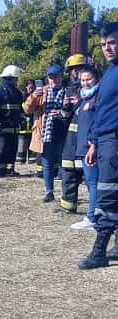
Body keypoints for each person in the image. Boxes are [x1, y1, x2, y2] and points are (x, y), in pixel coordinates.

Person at [80, 23, 118, 268]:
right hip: (104, 141)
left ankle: (99, 252)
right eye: (104, 44)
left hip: (114, 141)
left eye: (112, 42)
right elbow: (102, 111)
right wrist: (93, 142)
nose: (108, 48)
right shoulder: (109, 73)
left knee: (107, 194)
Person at [24, 64, 67, 203]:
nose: (53, 80)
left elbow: (73, 110)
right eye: (50, 77)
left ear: (61, 77)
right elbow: (27, 110)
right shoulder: (41, 92)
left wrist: (62, 112)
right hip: (45, 133)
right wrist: (32, 97)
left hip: (63, 133)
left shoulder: (68, 91)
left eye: (56, 77)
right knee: (47, 164)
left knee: (64, 164)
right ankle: (49, 192)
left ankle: (67, 193)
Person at [69, 65, 100, 231]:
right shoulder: (83, 98)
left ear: (97, 79)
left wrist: (93, 143)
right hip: (81, 147)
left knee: (94, 183)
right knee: (91, 182)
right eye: (82, 80)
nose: (85, 83)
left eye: (89, 79)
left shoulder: (98, 98)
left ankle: (92, 217)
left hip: (92, 149)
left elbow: (98, 122)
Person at [58, 54, 88, 214]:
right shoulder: (68, 89)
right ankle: (68, 206)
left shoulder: (93, 88)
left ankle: (97, 210)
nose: (76, 73)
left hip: (86, 139)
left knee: (90, 177)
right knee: (68, 172)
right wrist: (65, 108)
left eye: (79, 69)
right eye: (72, 70)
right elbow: (64, 119)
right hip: (71, 140)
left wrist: (81, 103)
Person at [0, 65, 24, 177]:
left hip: (14, 126)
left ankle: (10, 169)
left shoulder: (17, 93)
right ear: (10, 78)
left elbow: (20, 109)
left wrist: (22, 120)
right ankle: (1, 170)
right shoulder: (0, 92)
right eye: (16, 78)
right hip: (2, 126)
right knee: (2, 149)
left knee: (13, 148)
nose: (17, 80)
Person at [17, 80, 36, 164]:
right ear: (26, 87)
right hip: (23, 125)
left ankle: (32, 161)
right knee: (22, 145)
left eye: (32, 86)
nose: (30, 88)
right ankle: (21, 161)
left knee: (32, 145)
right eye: (29, 86)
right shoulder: (22, 97)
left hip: (33, 125)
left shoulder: (37, 96)